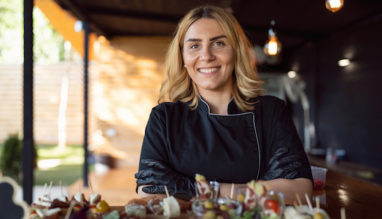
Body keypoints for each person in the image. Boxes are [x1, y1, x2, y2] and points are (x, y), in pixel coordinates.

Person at [134, 5, 312, 204]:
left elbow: (299, 190)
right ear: (182, 57)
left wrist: (202, 189)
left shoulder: (271, 111)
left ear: (236, 52)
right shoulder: (164, 117)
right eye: (194, 46)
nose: (206, 55)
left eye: (218, 43)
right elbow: (149, 191)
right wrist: (255, 189)